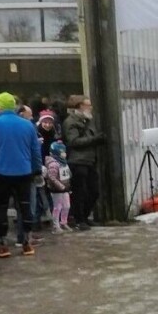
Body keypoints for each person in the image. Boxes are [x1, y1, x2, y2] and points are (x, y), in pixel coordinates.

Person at [0, 91, 42, 258]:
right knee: (25, 206)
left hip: (2, 173)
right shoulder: (27, 125)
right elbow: (35, 150)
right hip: (24, 172)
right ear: (15, 107)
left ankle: (3, 244)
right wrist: (37, 171)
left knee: (1, 207)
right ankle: (27, 243)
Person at [64, 95, 105, 230]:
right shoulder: (71, 122)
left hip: (89, 160)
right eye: (88, 105)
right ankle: (79, 219)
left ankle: (85, 217)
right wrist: (95, 140)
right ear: (80, 107)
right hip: (78, 161)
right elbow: (73, 141)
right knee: (80, 192)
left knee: (94, 191)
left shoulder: (87, 121)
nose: (91, 107)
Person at [44, 141, 72, 233]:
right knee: (58, 207)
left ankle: (64, 222)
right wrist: (61, 186)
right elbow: (52, 177)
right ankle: (56, 225)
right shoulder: (53, 165)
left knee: (67, 206)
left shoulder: (64, 163)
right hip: (57, 190)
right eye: (62, 152)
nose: (64, 154)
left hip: (65, 188)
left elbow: (68, 174)